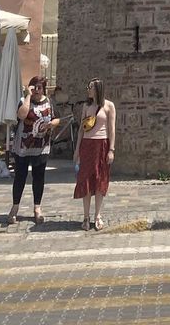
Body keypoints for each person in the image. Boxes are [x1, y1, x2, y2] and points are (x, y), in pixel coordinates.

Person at [7, 76, 60, 225]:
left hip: (41, 146)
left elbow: (57, 119)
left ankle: (37, 208)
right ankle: (15, 207)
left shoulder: (49, 102)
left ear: (43, 88)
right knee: (20, 177)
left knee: (38, 177)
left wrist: (50, 125)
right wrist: (28, 96)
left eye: (39, 87)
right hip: (23, 146)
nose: (37, 90)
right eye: (34, 87)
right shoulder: (24, 101)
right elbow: (22, 115)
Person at [73, 78, 116, 230]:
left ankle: (98, 215)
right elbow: (81, 130)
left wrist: (111, 149)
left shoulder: (109, 106)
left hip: (102, 145)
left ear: (97, 89)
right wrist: (77, 150)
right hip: (87, 145)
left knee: (100, 180)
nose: (88, 90)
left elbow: (111, 130)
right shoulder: (86, 106)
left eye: (90, 87)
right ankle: (86, 216)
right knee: (85, 179)